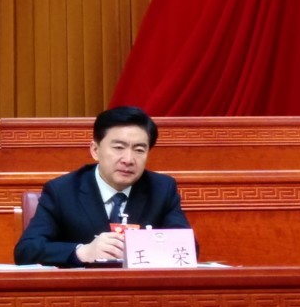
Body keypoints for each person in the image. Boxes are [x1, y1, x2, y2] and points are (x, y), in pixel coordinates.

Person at [14, 106, 191, 267]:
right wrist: (82, 251)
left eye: (139, 150)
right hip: (82, 295)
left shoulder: (162, 189)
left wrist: (142, 248)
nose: (128, 159)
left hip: (140, 294)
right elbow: (26, 251)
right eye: (118, 147)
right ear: (95, 150)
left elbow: (188, 249)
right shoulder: (62, 190)